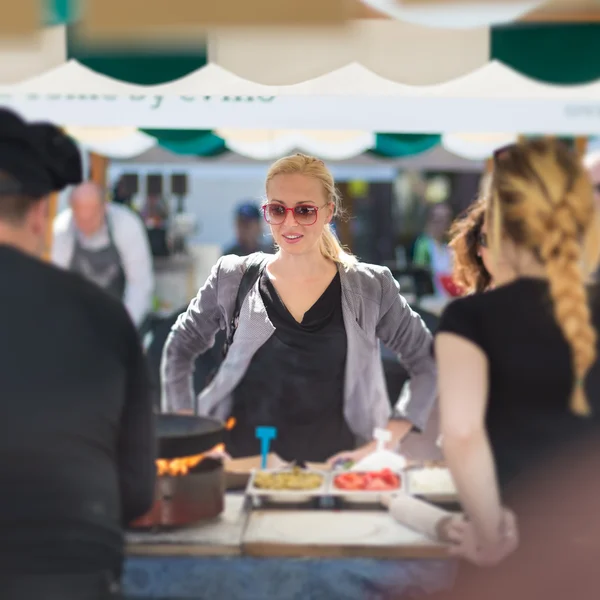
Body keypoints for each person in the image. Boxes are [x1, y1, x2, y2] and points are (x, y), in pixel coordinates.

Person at [162, 153, 437, 464]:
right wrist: (189, 435)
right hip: (244, 474)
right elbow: (179, 349)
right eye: (278, 210)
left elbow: (426, 361)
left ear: (328, 212)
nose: (289, 222)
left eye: (305, 211)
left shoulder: (369, 287)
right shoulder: (234, 277)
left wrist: (381, 445)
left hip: (335, 479)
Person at [0, 108, 155, 597]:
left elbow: (142, 282)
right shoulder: (103, 319)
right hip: (74, 579)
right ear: (42, 214)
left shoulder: (124, 229)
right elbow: (135, 493)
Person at [435, 138, 600, 569]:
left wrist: (489, 533)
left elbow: (462, 434)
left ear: (500, 223)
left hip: (514, 554)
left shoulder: (470, 317)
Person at [51, 181, 155, 329]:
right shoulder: (62, 229)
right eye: (81, 219)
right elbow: (57, 287)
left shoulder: (127, 225)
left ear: (104, 208)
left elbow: (140, 285)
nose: (86, 225)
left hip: (122, 313)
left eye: (91, 218)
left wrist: (123, 328)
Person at [447, 192, 493, 296]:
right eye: (489, 240)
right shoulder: (467, 309)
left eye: (505, 240)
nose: (498, 249)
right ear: (477, 247)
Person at [412, 202, 453, 297]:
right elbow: (420, 273)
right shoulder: (424, 245)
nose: (442, 225)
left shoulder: (448, 247)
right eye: (438, 220)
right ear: (430, 221)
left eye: (446, 220)